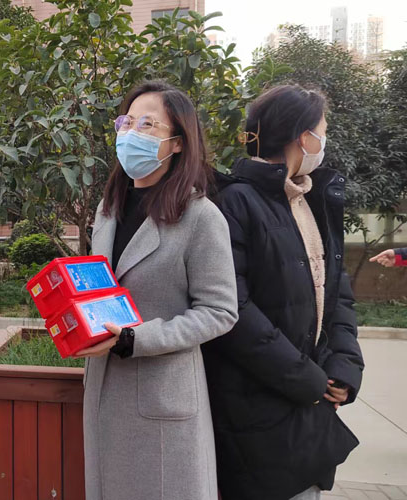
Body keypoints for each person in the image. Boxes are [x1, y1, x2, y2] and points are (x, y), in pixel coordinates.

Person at [77, 80, 239, 500]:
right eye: (126, 122)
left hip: (162, 396)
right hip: (104, 388)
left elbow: (220, 311)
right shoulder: (109, 210)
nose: (131, 134)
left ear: (178, 142)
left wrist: (138, 338)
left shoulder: (201, 217)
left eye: (147, 125)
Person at [205, 84, 364, 500]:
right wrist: (307, 379)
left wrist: (345, 368)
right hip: (256, 412)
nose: (324, 141)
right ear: (303, 137)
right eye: (322, 132)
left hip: (309, 407)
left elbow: (337, 293)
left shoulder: (313, 199)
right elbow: (233, 310)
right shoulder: (234, 202)